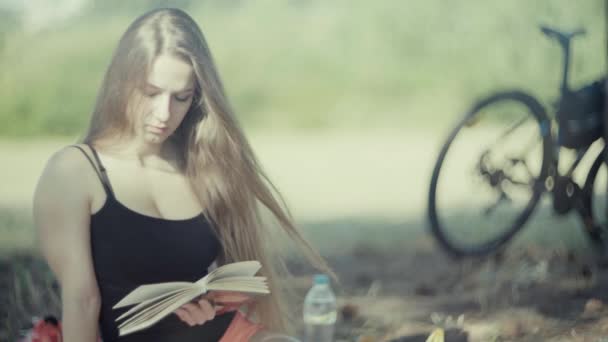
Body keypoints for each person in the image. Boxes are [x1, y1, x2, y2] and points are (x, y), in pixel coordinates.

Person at [32, 7, 335, 342]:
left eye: (181, 97)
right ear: (121, 82)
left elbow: (230, 279)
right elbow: (82, 301)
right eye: (150, 93)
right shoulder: (74, 171)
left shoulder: (203, 163)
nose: (164, 113)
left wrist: (213, 302)